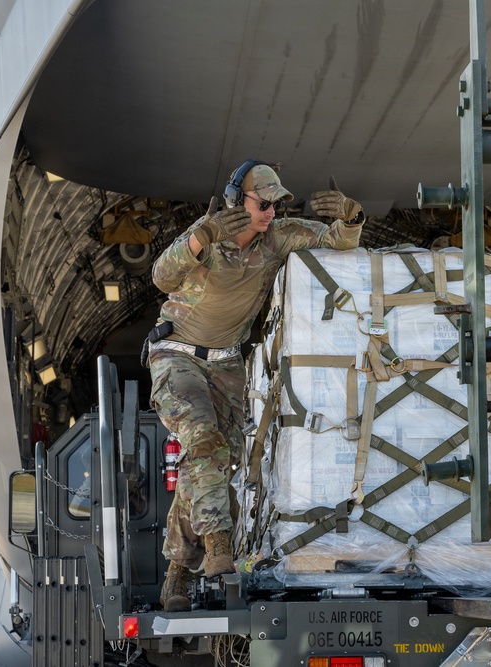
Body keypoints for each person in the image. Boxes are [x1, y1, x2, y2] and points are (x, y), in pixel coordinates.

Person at [147, 160, 364, 612]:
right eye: (262, 203)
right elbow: (161, 277)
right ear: (235, 200)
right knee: (203, 442)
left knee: (214, 464)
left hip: (227, 366)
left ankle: (175, 574)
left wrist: (351, 216)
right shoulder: (206, 236)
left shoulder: (277, 237)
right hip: (176, 357)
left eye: (275, 204)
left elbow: (335, 241)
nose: (269, 212)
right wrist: (199, 238)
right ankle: (218, 551)